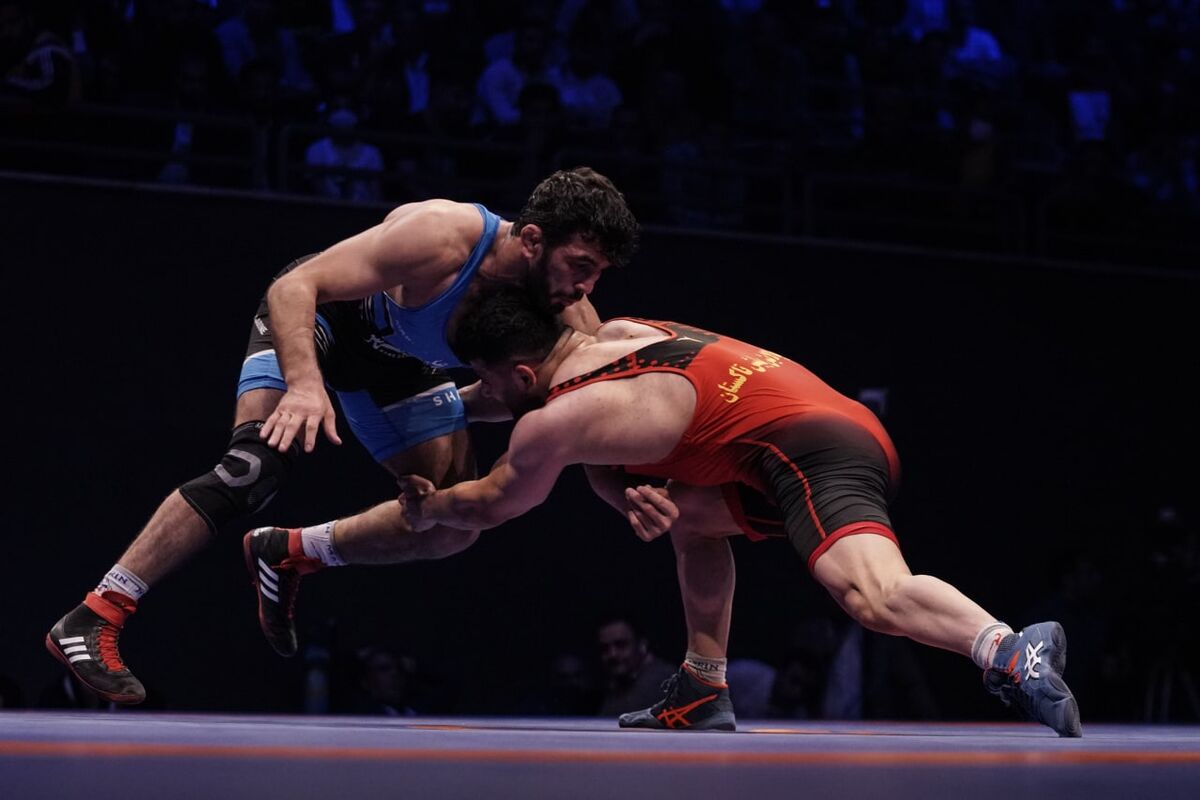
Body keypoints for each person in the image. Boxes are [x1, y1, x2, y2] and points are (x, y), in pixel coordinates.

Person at [45, 167, 639, 705]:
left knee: (452, 523)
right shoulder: (444, 235)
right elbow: (296, 288)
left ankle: (290, 552)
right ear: (532, 239)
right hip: (321, 320)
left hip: (400, 367)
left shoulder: (566, 315)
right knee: (254, 468)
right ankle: (96, 613)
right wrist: (306, 385)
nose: (585, 287)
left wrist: (624, 490)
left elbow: (578, 416)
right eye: (580, 266)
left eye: (598, 273)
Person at [400, 288, 1083, 737]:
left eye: (485, 380)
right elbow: (517, 400)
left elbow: (497, 500)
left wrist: (428, 508)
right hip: (814, 424)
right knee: (690, 517)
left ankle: (1009, 650)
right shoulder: (623, 331)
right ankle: (703, 686)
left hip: (816, 453)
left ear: (521, 374)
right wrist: (446, 405)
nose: (483, 393)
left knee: (871, 595)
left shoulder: (555, 420)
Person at [594, 615, 676, 717]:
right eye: (605, 648)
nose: (612, 654)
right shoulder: (619, 684)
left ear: (642, 645)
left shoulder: (662, 682)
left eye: (621, 645)